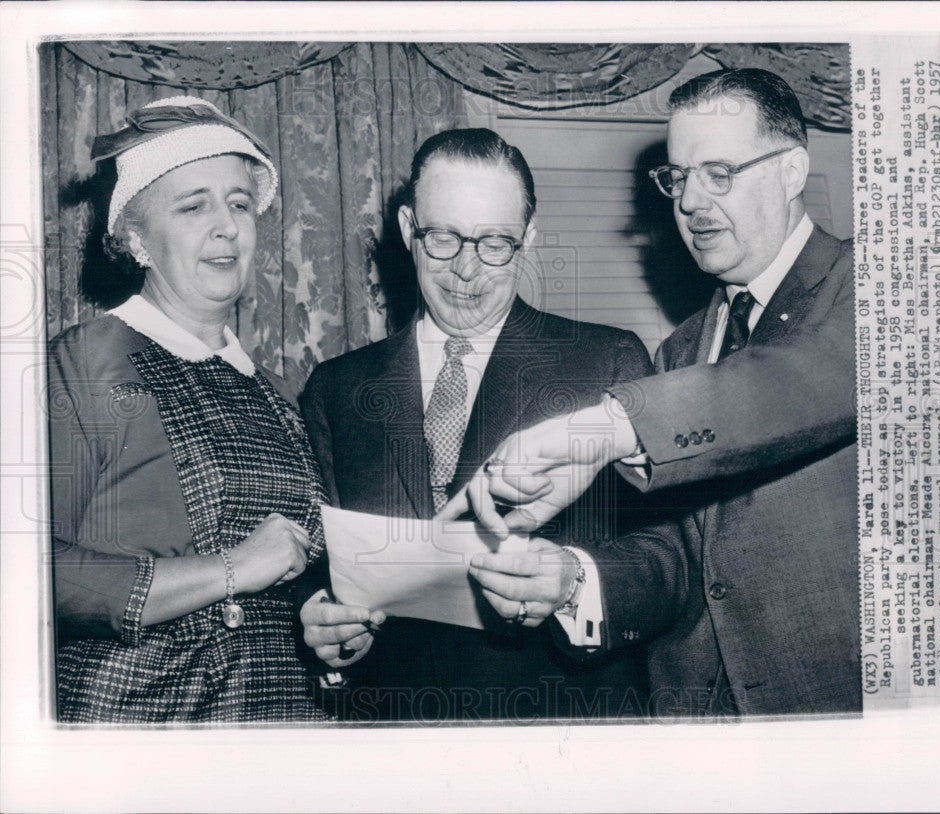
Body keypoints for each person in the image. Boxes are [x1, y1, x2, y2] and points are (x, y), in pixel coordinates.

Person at [449, 68, 862, 716]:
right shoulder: (678, 351)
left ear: (791, 172)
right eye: (678, 178)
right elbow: (675, 560)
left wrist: (596, 433)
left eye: (719, 173)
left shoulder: (873, 287)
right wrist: (574, 582)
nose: (691, 203)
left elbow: (793, 380)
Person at [298, 128, 653, 721]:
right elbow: (319, 559)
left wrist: (571, 582)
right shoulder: (336, 388)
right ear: (409, 230)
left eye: (494, 243)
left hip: (562, 728)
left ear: (528, 240)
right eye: (443, 238)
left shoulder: (607, 361)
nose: (467, 269)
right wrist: (324, 629)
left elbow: (665, 560)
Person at [48, 96, 377, 723]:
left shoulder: (283, 395)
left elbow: (297, 576)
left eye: (240, 204)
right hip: (138, 727)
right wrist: (231, 569)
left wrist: (325, 626)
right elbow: (31, 573)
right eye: (194, 206)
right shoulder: (82, 363)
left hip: (280, 724)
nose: (226, 225)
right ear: (137, 239)